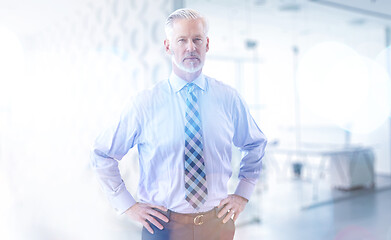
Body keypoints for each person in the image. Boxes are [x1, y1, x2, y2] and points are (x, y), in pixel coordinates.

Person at [91, 8, 267, 240]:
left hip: (218, 225)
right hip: (163, 227)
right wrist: (127, 205)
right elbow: (103, 154)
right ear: (168, 46)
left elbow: (255, 144)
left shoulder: (229, 98)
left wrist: (242, 194)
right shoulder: (144, 103)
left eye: (197, 39)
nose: (191, 47)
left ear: (207, 44)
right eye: (182, 40)